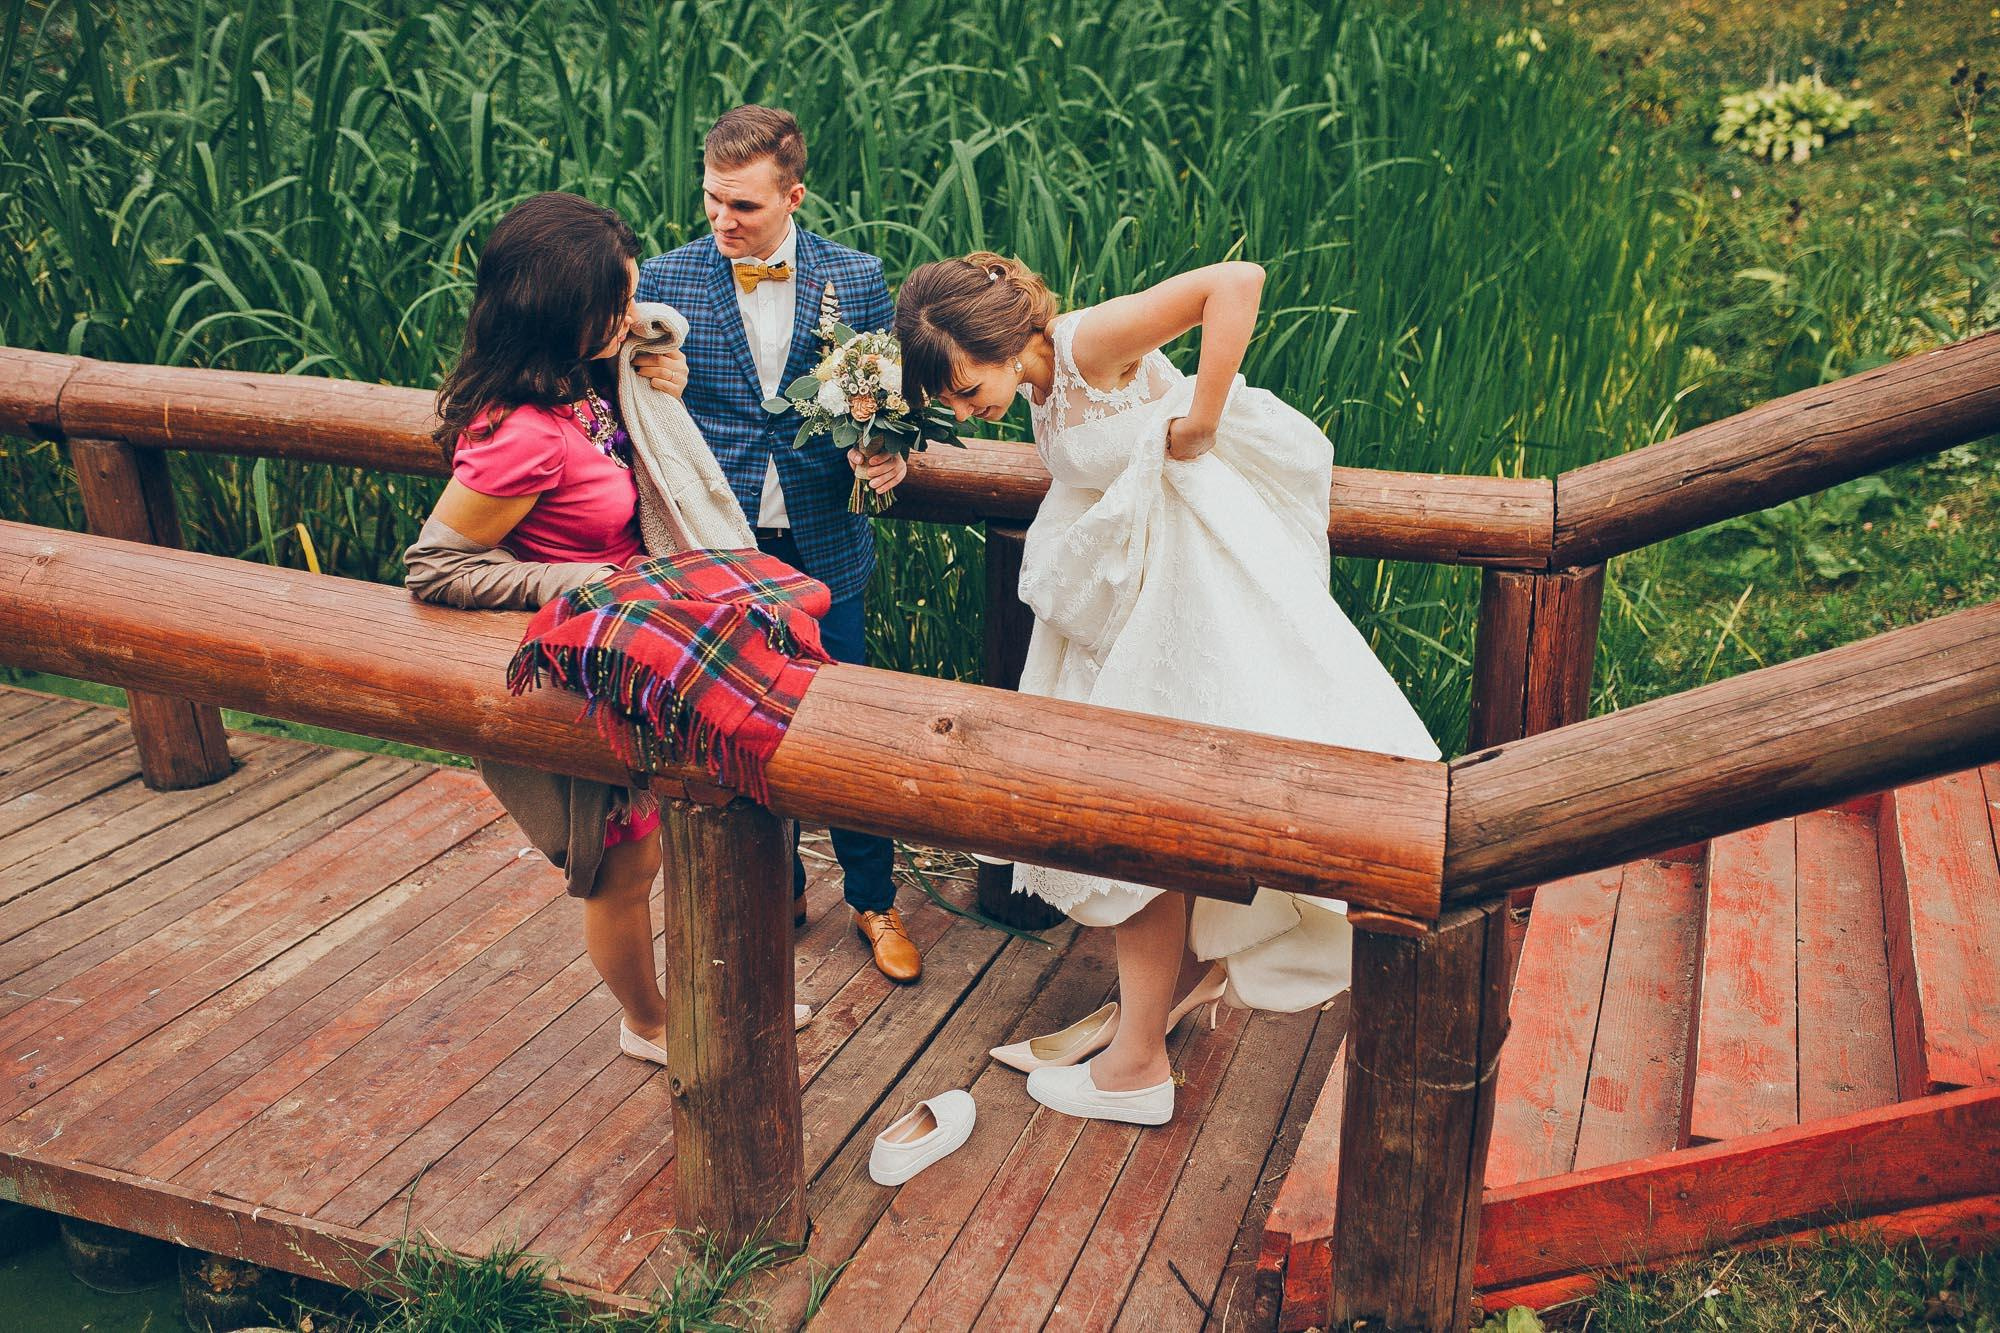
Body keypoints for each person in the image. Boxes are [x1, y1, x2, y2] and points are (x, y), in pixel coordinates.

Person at [895, 253, 1442, 1125]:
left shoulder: (1085, 342)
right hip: (1132, 598)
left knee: (1138, 810)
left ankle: (1137, 1067)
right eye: (955, 403)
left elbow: (1238, 281)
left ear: (1002, 338)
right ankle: (1166, 1001)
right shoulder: (1037, 387)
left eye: (967, 388)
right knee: (1145, 807)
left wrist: (1201, 419)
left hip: (1190, 585)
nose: (969, 413)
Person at [401, 191, 809, 1068]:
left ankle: (724, 993)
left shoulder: (584, 381)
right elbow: (434, 567)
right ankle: (651, 1021)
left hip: (649, 643)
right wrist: (585, 577)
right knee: (624, 872)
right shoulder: (519, 436)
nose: (632, 317)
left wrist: (657, 371)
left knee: (699, 830)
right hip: (590, 671)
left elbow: (652, 369)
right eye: (613, 306)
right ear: (558, 314)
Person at [631, 106, 920, 984]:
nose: (723, 221)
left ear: (794, 194)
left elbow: (882, 401)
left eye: (745, 207)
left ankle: (874, 899)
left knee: (850, 728)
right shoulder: (667, 277)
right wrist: (658, 384)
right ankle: (780, 884)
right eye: (713, 200)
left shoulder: (856, 276)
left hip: (827, 540)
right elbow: (626, 407)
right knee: (739, 724)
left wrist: (889, 453)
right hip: (718, 544)